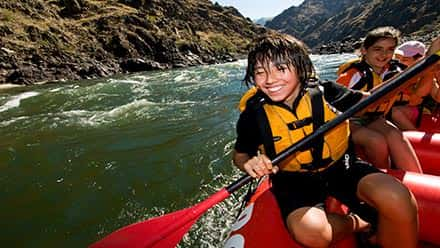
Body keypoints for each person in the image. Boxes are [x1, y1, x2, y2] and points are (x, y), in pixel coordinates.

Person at [233, 33, 418, 248]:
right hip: (294, 181)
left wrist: (423, 63)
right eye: (260, 72)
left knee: (399, 197)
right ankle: (359, 222)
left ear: (301, 69)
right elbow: (240, 154)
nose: (270, 79)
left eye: (280, 69)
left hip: (343, 168)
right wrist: (249, 163)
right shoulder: (253, 115)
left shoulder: (326, 92)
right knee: (312, 234)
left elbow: (370, 100)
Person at [336, 26, 422, 172]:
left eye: (390, 49)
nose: (384, 54)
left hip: (374, 117)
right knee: (376, 141)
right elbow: (334, 109)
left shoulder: (394, 71)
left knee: (396, 135)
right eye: (377, 49)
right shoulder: (352, 75)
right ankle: (381, 177)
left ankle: (418, 181)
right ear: (364, 51)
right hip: (347, 121)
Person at [392, 38, 440, 130]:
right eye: (398, 58)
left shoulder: (431, 75)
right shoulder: (395, 72)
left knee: (395, 112)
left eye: (405, 59)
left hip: (422, 114)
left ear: (419, 59)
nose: (400, 62)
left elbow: (417, 97)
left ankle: (414, 136)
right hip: (406, 111)